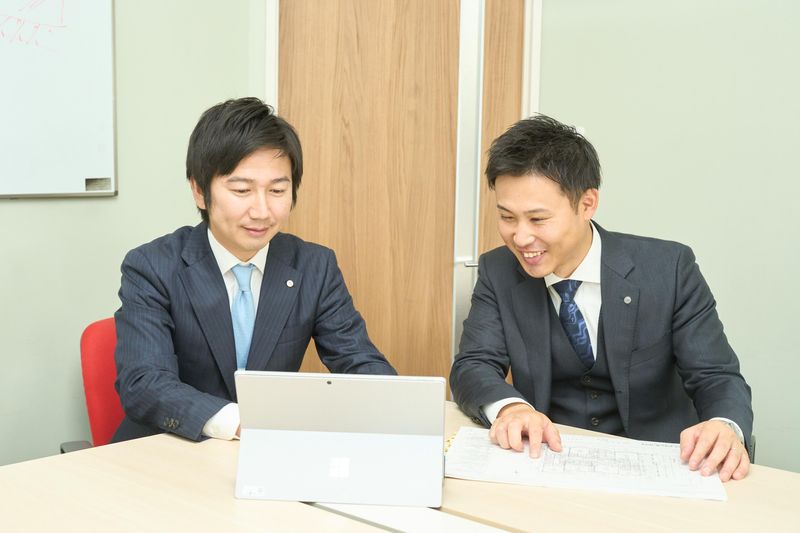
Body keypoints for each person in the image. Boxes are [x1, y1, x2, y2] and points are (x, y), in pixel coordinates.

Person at [450, 115, 752, 482]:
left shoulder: (669, 269)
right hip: (549, 464)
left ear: (587, 203)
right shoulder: (498, 271)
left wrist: (724, 425)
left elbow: (716, 376)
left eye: (538, 219)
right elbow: (474, 365)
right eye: (507, 217)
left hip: (664, 469)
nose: (521, 237)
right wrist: (511, 408)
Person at [112, 97, 396, 443]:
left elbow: (359, 361)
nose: (262, 211)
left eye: (277, 190)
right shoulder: (153, 267)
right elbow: (144, 382)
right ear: (199, 191)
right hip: (169, 450)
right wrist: (239, 423)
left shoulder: (314, 267)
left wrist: (392, 404)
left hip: (268, 453)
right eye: (242, 190)